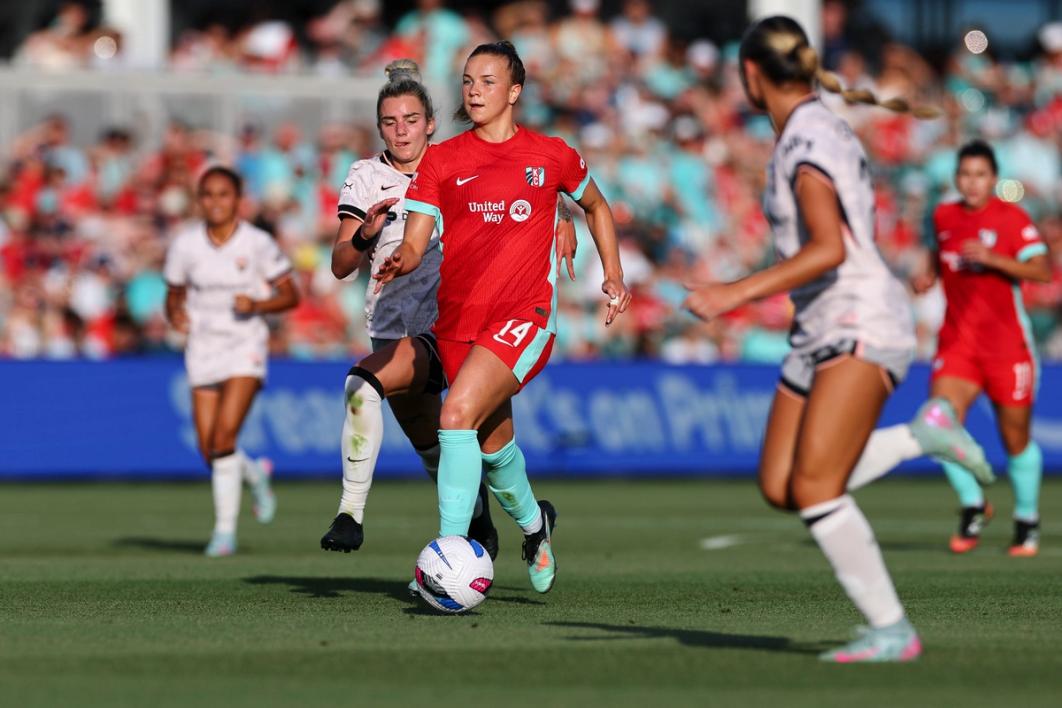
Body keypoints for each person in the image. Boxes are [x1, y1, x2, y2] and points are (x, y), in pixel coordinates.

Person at [683, 16, 953, 662]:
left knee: (814, 487)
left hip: (860, 319)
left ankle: (892, 629)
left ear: (752, 76)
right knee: (781, 484)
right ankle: (920, 437)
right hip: (820, 327)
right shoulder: (817, 124)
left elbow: (829, 249)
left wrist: (732, 292)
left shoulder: (804, 140)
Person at [375, 41, 631, 594]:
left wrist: (613, 274)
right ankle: (537, 528)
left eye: (488, 82)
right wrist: (402, 258)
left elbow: (596, 205)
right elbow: (418, 240)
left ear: (514, 91)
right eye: (468, 81)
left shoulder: (551, 154)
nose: (475, 90)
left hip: (525, 315)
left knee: (455, 415)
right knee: (492, 447)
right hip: (459, 322)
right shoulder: (442, 159)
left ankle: (446, 556)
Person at [320, 59, 579, 560]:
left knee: (363, 387)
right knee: (446, 450)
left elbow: (532, 180)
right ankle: (504, 524)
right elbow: (339, 264)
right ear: (379, 128)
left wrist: (563, 212)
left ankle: (352, 515)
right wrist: (365, 235)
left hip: (449, 327)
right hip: (390, 329)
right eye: (390, 122)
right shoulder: (365, 177)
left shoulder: (457, 159)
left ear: (431, 123)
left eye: (411, 120)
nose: (401, 131)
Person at [915, 140, 1051, 556]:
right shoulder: (943, 215)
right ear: (956, 179)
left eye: (980, 175)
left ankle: (1026, 519)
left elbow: (1042, 270)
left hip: (1007, 348)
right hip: (957, 345)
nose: (972, 183)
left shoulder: (1011, 219)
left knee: (1015, 441)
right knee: (935, 425)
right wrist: (926, 275)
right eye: (965, 175)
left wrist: (994, 259)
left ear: (993, 179)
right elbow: (936, 253)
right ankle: (974, 503)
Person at [163, 166, 299, 557]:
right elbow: (173, 293)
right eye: (208, 195)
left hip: (245, 345)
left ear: (238, 200)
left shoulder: (256, 243)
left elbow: (290, 294)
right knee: (210, 450)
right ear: (199, 201)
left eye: (224, 194)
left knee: (224, 438)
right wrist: (175, 314)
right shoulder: (186, 245)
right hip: (203, 347)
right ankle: (255, 474)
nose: (216, 202)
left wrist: (257, 304)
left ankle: (224, 533)